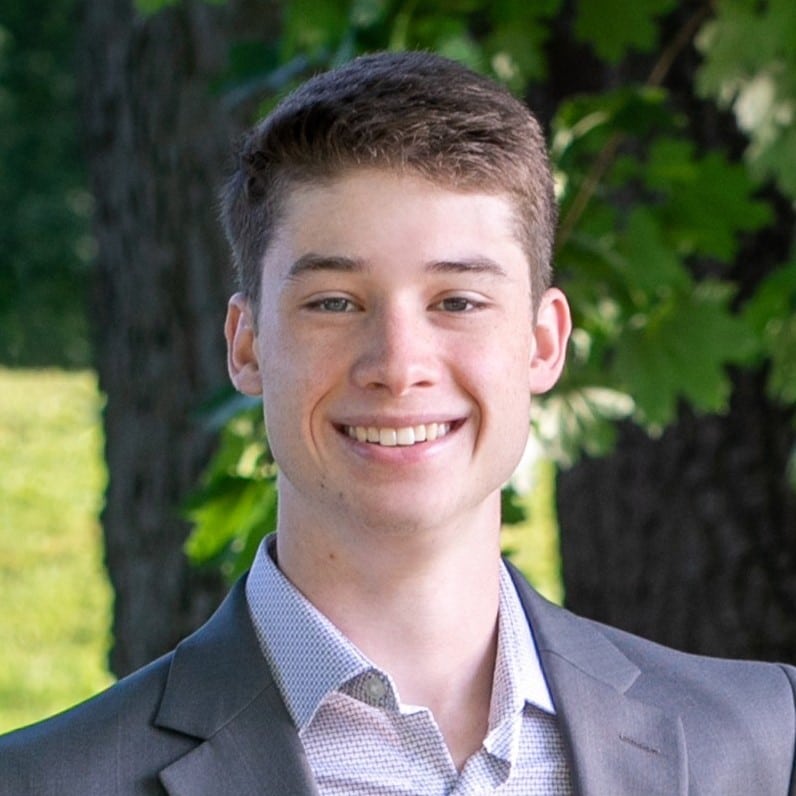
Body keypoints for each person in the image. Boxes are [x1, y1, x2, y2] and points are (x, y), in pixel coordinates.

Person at [1, 50, 794, 796]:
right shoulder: (46, 781)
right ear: (246, 346)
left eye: (457, 301)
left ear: (543, 343)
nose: (398, 363)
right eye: (335, 303)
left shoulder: (763, 742)